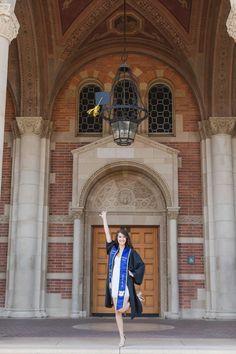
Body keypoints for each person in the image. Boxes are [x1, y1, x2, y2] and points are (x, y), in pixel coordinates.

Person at [99, 211, 145, 348]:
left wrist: (133, 273)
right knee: (117, 312)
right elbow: (107, 235)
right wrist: (104, 218)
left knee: (121, 309)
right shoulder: (112, 249)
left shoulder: (130, 252)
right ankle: (121, 337)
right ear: (117, 238)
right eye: (119, 237)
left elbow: (141, 265)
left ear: (126, 239)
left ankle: (134, 301)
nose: (121, 239)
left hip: (124, 284)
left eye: (123, 237)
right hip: (113, 284)